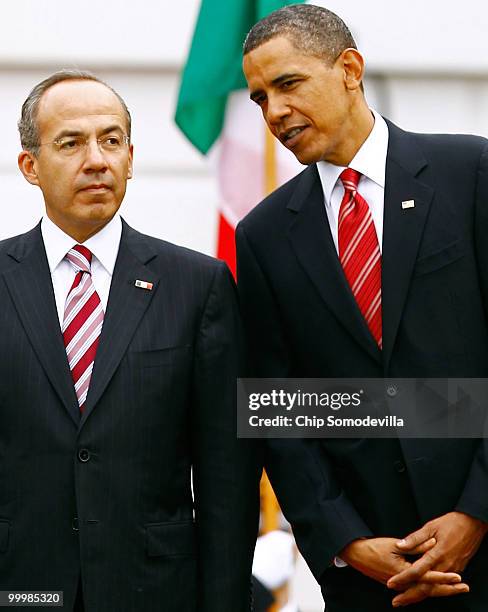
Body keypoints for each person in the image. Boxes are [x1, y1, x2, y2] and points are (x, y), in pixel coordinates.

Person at [236, 4, 488, 611]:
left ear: (349, 68)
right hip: (370, 581)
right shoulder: (263, 235)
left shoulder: (471, 172)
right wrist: (346, 541)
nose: (274, 112)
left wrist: (476, 513)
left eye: (287, 84)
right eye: (260, 98)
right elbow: (279, 405)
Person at [0, 70, 259, 612]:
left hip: (155, 592)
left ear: (131, 158)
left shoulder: (198, 285)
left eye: (112, 140)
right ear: (30, 166)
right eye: (71, 143)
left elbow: (226, 479)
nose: (97, 160)